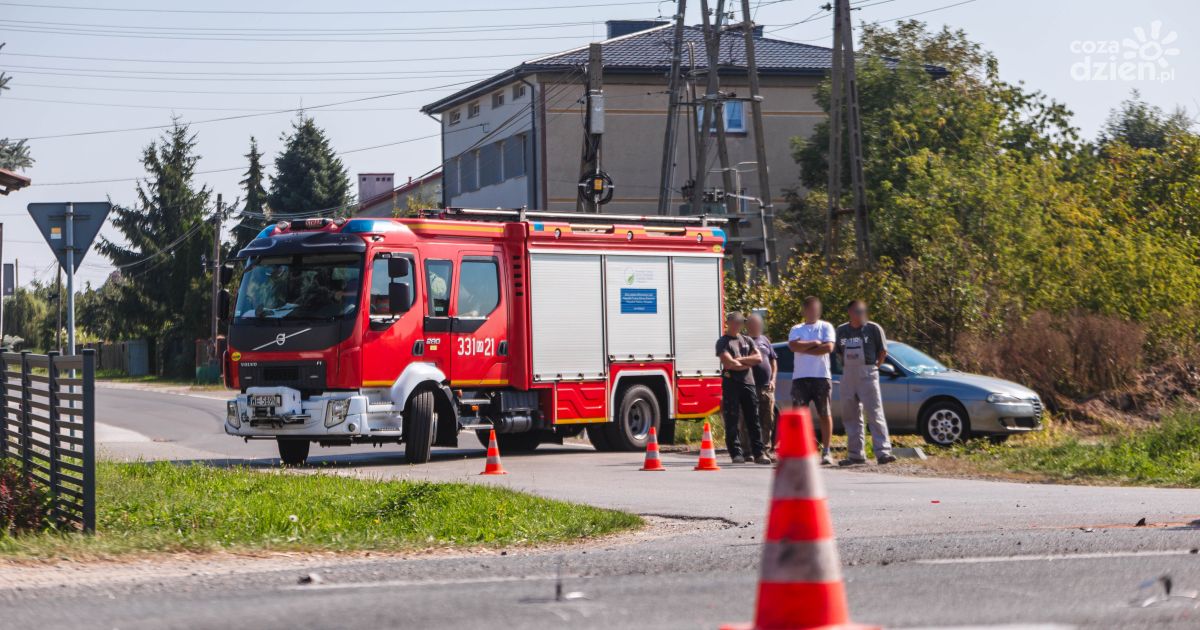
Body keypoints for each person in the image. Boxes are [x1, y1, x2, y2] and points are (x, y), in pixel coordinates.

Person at [835, 300, 896, 466]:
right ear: (850, 312)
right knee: (851, 416)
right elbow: (839, 352)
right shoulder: (841, 330)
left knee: (875, 413)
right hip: (848, 374)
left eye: (862, 311)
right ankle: (855, 454)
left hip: (868, 372)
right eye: (857, 311)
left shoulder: (873, 329)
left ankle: (883, 452)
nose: (861, 314)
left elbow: (882, 351)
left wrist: (875, 367)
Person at [787, 296, 838, 466]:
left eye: (815, 308)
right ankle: (798, 451)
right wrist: (815, 344)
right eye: (809, 309)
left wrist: (805, 347)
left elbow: (828, 348)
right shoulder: (796, 328)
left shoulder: (826, 327)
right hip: (800, 378)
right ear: (804, 311)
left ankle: (827, 451)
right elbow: (793, 346)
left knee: (824, 413)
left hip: (821, 377)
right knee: (798, 416)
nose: (812, 312)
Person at [715, 312, 770, 465]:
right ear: (730, 322)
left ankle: (759, 453)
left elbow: (758, 358)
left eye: (742, 322)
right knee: (732, 419)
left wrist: (740, 360)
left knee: (753, 419)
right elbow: (730, 364)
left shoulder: (746, 340)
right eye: (737, 321)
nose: (740, 324)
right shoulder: (723, 342)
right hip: (731, 384)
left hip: (749, 383)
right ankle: (736, 453)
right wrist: (746, 363)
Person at [742, 313, 778, 456]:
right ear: (747, 326)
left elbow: (773, 361)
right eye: (752, 324)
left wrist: (773, 379)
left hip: (766, 387)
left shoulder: (765, 340)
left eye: (757, 324)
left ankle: (766, 449)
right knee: (748, 419)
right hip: (750, 386)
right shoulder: (743, 341)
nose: (755, 326)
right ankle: (748, 450)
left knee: (768, 419)